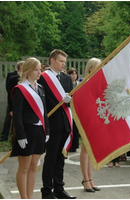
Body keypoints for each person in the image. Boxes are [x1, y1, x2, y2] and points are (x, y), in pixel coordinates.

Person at [38, 49, 76, 199]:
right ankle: (47, 190)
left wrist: (70, 101)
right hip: (52, 124)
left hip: (65, 122)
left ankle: (59, 188)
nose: (63, 64)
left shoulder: (67, 79)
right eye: (61, 61)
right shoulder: (43, 78)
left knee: (61, 158)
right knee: (51, 158)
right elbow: (41, 102)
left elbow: (72, 98)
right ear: (52, 60)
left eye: (65, 62)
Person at [11, 57, 49, 199]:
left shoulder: (40, 88)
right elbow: (17, 115)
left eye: (40, 69)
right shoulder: (20, 89)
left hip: (39, 131)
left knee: (33, 167)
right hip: (26, 132)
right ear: (28, 71)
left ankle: (30, 197)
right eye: (36, 70)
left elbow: (44, 112)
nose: (40, 72)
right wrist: (20, 135)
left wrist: (47, 131)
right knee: (24, 167)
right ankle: (24, 198)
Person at [79, 58, 101, 192]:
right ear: (90, 68)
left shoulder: (100, 82)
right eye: (98, 66)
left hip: (97, 117)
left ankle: (90, 178)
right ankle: (85, 178)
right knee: (85, 149)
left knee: (91, 149)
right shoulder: (83, 82)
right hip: (86, 118)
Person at [0, 61, 24, 142]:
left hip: (20, 102)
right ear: (18, 68)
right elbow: (8, 88)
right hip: (12, 99)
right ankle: (4, 135)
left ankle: (14, 136)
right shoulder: (12, 76)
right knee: (8, 118)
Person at [67, 68, 80, 153]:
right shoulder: (67, 84)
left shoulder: (79, 84)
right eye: (72, 74)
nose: (74, 75)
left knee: (76, 127)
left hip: (77, 107)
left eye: (75, 74)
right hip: (69, 107)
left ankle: (75, 145)